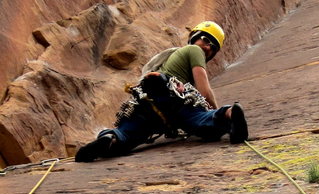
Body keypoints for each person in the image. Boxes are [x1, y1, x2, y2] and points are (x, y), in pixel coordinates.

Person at [75, 21, 248, 162]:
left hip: (154, 108)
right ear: (194, 38)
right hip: (171, 94)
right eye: (205, 39)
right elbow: (204, 91)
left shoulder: (182, 54)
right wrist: (213, 108)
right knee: (206, 118)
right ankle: (229, 114)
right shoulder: (194, 50)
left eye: (213, 48)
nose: (208, 47)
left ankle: (108, 140)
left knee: (127, 135)